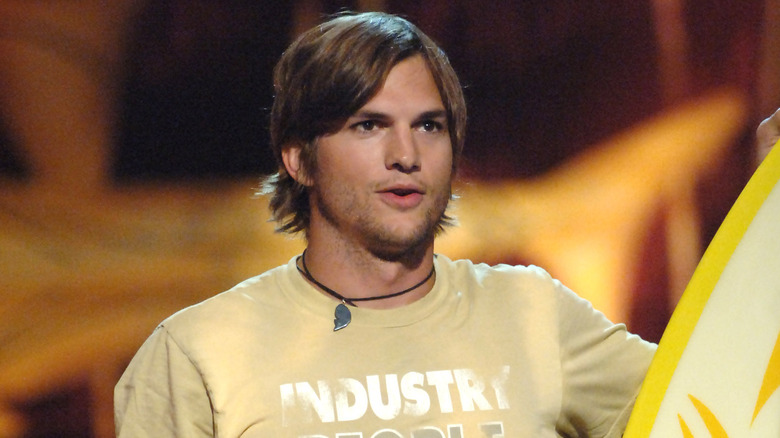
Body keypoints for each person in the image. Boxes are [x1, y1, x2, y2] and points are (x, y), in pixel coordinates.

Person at [114, 11, 776, 437]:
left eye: (428, 126)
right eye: (368, 126)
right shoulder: (192, 356)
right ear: (298, 157)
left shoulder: (534, 314)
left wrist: (771, 230)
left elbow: (725, 410)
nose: (406, 154)